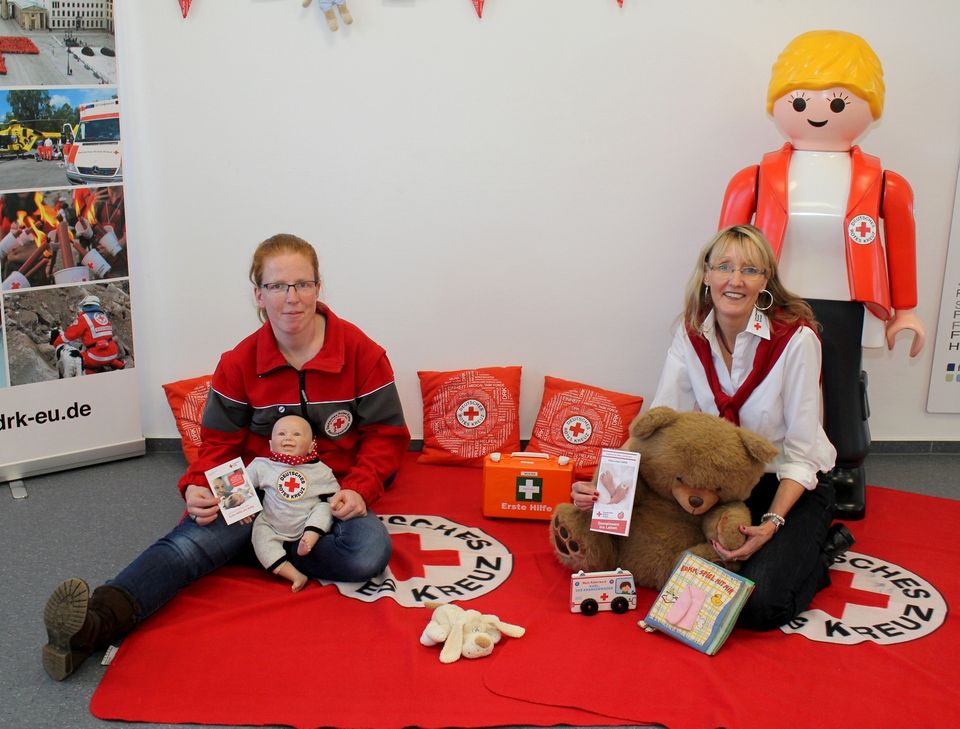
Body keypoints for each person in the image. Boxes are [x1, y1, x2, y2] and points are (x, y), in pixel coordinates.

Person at [42, 233, 410, 680]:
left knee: (369, 552)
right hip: (253, 488)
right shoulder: (238, 363)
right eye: (277, 286)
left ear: (318, 287)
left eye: (302, 284)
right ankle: (92, 625)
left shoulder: (362, 353)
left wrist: (361, 488)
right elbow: (216, 445)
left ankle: (256, 547)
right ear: (258, 294)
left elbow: (387, 437)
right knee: (187, 544)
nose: (291, 298)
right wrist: (197, 483)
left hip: (325, 496)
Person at [571, 224, 854, 630]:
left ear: (766, 281)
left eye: (750, 270)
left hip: (786, 482)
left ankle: (822, 549)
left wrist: (772, 524)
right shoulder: (690, 333)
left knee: (760, 607)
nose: (735, 280)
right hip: (715, 482)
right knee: (678, 570)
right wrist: (604, 486)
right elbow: (657, 424)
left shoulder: (796, 340)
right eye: (723, 266)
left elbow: (803, 451)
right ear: (706, 275)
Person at [718, 30, 924, 519]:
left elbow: (900, 244)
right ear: (779, 102)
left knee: (837, 381)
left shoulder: (883, 185)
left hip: (845, 301)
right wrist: (719, 298)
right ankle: (761, 463)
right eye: (802, 97)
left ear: (868, 106)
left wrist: (906, 309)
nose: (817, 111)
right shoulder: (754, 178)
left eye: (836, 100)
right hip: (770, 299)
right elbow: (725, 249)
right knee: (764, 380)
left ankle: (844, 465)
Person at [248, 414, 341, 593]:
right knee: (260, 537)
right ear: (270, 444)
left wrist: (339, 503)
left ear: (312, 446)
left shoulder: (320, 470)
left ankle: (310, 538)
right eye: (281, 434)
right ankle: (295, 575)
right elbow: (240, 487)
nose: (288, 437)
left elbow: (335, 495)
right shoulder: (261, 466)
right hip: (271, 522)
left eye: (297, 434)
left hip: (306, 520)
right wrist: (240, 508)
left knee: (324, 508)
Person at [51, 294, 126, 374]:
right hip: (113, 352)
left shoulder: (84, 318)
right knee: (106, 354)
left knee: (77, 360)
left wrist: (56, 344)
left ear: (85, 306)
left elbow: (69, 335)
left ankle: (90, 373)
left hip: (96, 357)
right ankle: (119, 364)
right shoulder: (103, 316)